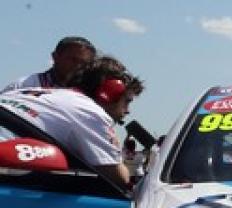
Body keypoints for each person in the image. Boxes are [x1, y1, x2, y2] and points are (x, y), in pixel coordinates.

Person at [0, 55, 142, 187]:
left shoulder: (24, 92)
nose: (127, 110)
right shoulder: (90, 112)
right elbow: (119, 177)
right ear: (108, 93)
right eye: (127, 101)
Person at [2, 36, 95, 92]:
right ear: (55, 57)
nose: (78, 66)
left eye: (84, 63)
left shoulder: (91, 93)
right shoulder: (24, 86)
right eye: (73, 60)